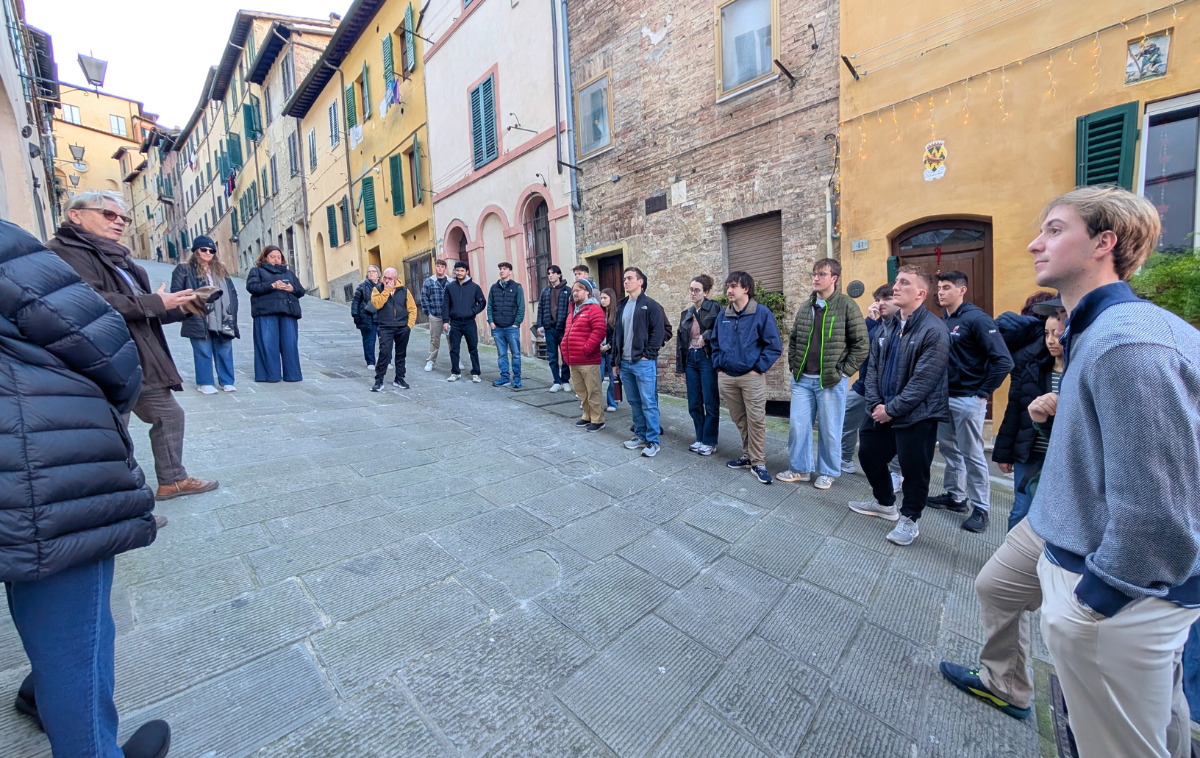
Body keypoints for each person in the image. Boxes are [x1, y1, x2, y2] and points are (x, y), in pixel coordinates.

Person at [1030, 187, 1200, 758]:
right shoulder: (1103, 332)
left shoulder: (1128, 343)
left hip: (1118, 601)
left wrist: (1093, 605)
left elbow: (1160, 508)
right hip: (1120, 591)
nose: (1036, 242)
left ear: (1105, 243)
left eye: (1055, 229)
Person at [2, 220, 172, 758]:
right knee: (75, 636)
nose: (119, 222)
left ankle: (44, 692)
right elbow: (105, 347)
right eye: (109, 214)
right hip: (35, 455)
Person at [48, 190, 217, 502]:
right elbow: (87, 303)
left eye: (123, 218)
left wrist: (179, 307)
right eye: (108, 215)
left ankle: (173, 480)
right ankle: (119, 502)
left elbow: (140, 310)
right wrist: (155, 302)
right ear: (76, 215)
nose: (119, 222)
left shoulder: (118, 257)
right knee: (111, 434)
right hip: (101, 358)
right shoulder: (64, 252)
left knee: (169, 416)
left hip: (137, 355)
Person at [847, 265, 949, 546]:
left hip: (917, 414)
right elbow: (873, 370)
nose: (895, 287)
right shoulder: (886, 327)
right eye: (896, 281)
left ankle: (910, 519)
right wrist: (876, 404)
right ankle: (884, 503)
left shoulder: (934, 330)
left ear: (920, 293)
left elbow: (924, 381)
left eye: (904, 283)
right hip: (881, 409)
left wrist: (892, 409)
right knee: (867, 453)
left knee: (914, 468)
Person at [925, 270, 1014, 533]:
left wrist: (982, 393)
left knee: (973, 454)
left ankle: (982, 509)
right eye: (939, 288)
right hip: (944, 398)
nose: (940, 292)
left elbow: (1003, 360)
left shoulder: (976, 319)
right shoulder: (944, 320)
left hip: (968, 400)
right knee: (950, 450)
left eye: (947, 287)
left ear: (962, 290)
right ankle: (955, 497)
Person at [778, 259, 868, 489]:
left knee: (830, 428)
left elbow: (861, 344)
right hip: (803, 380)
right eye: (814, 274)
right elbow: (795, 338)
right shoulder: (806, 306)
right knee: (798, 426)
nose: (815, 278)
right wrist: (793, 364)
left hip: (830, 380)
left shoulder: (847, 306)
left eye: (821, 274)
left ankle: (828, 472)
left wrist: (843, 372)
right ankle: (800, 469)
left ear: (834, 278)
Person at [710, 271, 783, 485]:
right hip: (727, 377)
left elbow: (773, 346)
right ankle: (747, 456)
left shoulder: (761, 313)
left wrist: (757, 369)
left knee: (756, 420)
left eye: (734, 286)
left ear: (746, 289)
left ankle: (758, 462)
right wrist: (719, 368)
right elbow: (714, 343)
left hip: (751, 377)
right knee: (740, 420)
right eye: (728, 286)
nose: (729, 291)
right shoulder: (724, 315)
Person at [993, 309, 1064, 531]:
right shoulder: (1033, 369)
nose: (1051, 340)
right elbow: (1015, 410)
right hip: (1030, 452)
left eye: (1057, 334)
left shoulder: (1078, 372)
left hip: (1062, 456)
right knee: (1021, 510)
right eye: (1046, 334)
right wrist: (1004, 453)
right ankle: (1010, 560)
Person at [840, 284, 903, 493]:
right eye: (878, 299)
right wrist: (868, 321)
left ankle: (895, 474)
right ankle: (844, 459)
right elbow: (856, 345)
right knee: (847, 421)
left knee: (892, 435)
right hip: (863, 386)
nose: (880, 303)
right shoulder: (875, 325)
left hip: (890, 394)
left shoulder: (903, 327)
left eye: (886, 299)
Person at [170, 235, 240, 395]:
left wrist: (232, 311)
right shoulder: (184, 269)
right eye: (204, 249)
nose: (208, 252)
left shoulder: (220, 270)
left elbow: (232, 292)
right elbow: (177, 293)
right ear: (196, 250)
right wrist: (190, 307)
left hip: (223, 316)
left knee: (225, 348)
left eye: (211, 250)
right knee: (203, 348)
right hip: (197, 315)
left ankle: (227, 381)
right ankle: (205, 382)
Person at [612, 267, 666, 457]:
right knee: (634, 402)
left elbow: (659, 332)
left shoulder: (650, 305)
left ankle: (653, 441)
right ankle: (640, 436)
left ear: (640, 281)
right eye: (624, 278)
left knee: (648, 402)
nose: (625, 281)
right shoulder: (621, 305)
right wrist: (614, 362)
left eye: (629, 278)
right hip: (624, 364)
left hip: (643, 363)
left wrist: (648, 354)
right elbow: (616, 335)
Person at [675, 275, 722, 455]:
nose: (693, 293)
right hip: (691, 358)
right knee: (694, 401)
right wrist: (681, 366)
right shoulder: (686, 313)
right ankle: (700, 437)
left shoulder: (714, 307)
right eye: (691, 289)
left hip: (706, 357)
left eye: (697, 290)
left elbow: (720, 328)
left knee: (710, 400)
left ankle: (710, 441)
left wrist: (706, 335)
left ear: (706, 292)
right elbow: (681, 342)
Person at [245, 245, 305, 383]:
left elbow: (301, 291)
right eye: (272, 257)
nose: (276, 259)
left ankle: (293, 375)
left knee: (290, 345)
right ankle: (270, 376)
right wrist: (272, 286)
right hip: (266, 312)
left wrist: (292, 288)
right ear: (265, 257)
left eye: (279, 257)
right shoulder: (257, 271)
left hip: (288, 312)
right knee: (268, 344)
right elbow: (252, 287)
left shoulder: (289, 273)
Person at [561, 280, 607, 431]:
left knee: (593, 390)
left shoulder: (594, 309)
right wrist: (564, 347)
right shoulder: (572, 312)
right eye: (573, 291)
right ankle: (587, 415)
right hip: (573, 359)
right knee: (581, 391)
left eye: (578, 290)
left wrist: (586, 349)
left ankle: (598, 419)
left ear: (587, 291)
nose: (574, 293)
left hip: (588, 359)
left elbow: (599, 331)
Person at [369, 267, 416, 392]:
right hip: (385, 327)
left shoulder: (404, 291)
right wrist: (387, 290)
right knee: (384, 352)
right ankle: (379, 380)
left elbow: (412, 309)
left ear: (396, 279)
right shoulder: (377, 289)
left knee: (401, 354)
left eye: (390, 278)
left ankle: (399, 378)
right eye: (385, 278)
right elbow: (377, 304)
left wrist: (409, 326)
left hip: (402, 327)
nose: (387, 280)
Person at [442, 260, 486, 382]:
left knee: (473, 348)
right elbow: (445, 305)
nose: (459, 273)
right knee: (454, 349)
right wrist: (446, 321)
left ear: (467, 272)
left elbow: (482, 302)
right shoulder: (449, 287)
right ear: (454, 272)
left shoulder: (475, 287)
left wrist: (472, 311)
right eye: (457, 270)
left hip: (469, 322)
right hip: (454, 323)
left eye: (462, 270)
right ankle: (455, 372)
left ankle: (476, 373)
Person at [487, 261, 525, 388]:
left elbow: (521, 307)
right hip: (497, 327)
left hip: (511, 327)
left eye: (504, 269)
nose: (502, 271)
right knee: (501, 354)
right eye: (500, 269)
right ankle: (504, 377)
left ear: (510, 271)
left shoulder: (517, 287)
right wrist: (491, 321)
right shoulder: (494, 288)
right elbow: (490, 306)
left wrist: (516, 323)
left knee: (515, 354)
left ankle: (517, 378)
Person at [536, 265, 572, 391]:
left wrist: (570, 326)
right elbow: (540, 309)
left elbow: (571, 310)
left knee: (565, 355)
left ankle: (565, 380)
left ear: (559, 274)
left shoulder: (567, 290)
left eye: (553, 273)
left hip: (563, 328)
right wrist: (539, 326)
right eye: (549, 273)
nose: (550, 275)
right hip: (549, 328)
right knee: (552, 356)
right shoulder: (545, 291)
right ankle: (556, 380)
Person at [420, 259, 449, 372]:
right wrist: (428, 313)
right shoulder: (429, 282)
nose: (440, 268)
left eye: (442, 266)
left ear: (445, 268)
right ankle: (431, 360)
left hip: (449, 317)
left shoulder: (450, 282)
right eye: (438, 266)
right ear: (435, 267)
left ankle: (456, 359)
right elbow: (424, 297)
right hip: (435, 315)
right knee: (434, 339)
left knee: (452, 339)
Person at [351, 265, 381, 369]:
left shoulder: (383, 286)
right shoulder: (362, 287)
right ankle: (370, 362)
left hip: (382, 318)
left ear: (378, 274)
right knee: (369, 341)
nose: (371, 273)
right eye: (369, 271)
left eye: (373, 271)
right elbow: (355, 301)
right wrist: (355, 315)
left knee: (386, 341)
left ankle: (387, 360)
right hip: (368, 318)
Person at [599, 288, 620, 412]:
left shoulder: (617, 314)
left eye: (605, 298)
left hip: (611, 351)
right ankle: (596, 402)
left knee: (613, 377)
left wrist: (608, 346)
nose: (602, 300)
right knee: (598, 376)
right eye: (601, 298)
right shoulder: (599, 313)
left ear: (611, 299)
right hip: (599, 350)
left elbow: (618, 334)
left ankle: (612, 402)